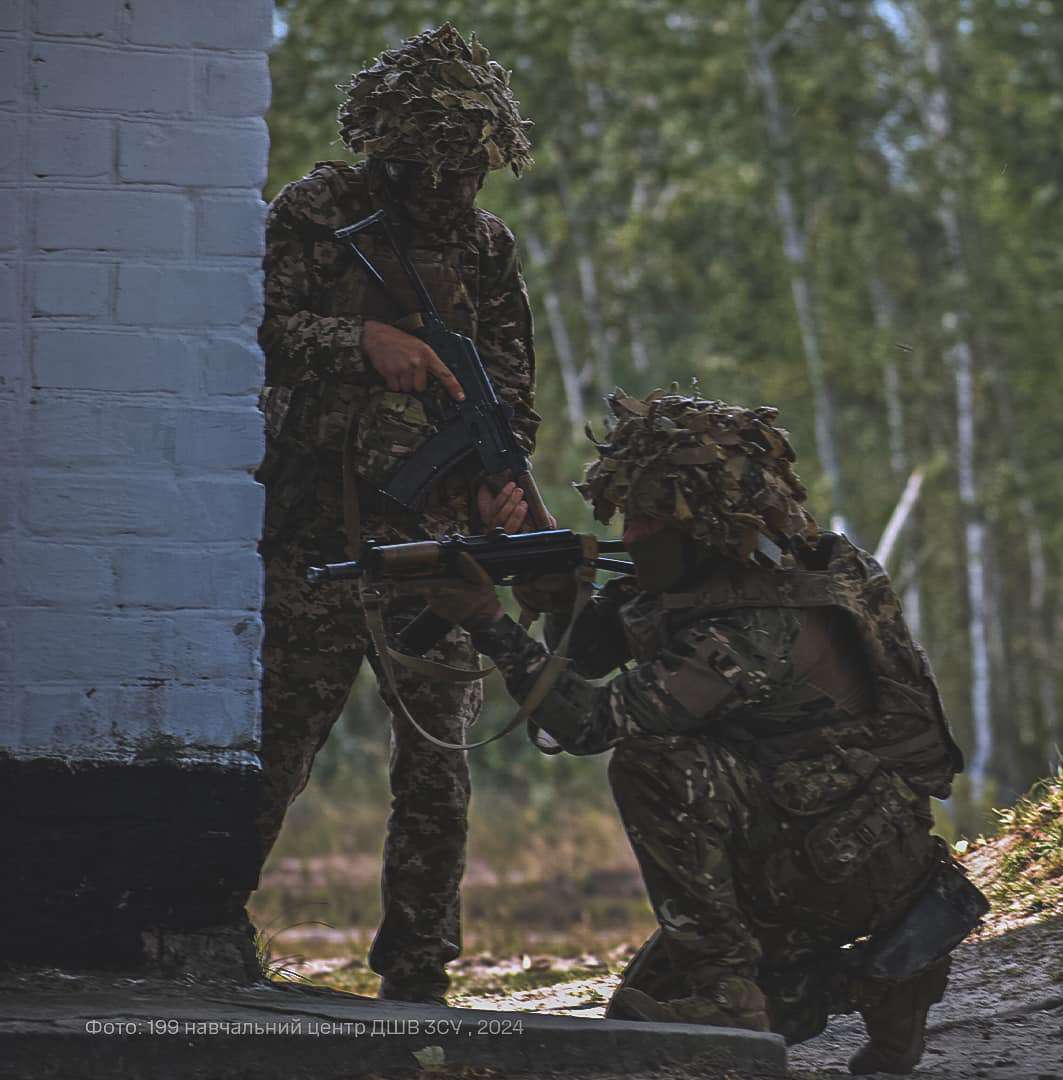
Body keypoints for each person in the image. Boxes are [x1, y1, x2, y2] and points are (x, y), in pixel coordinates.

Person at [426, 390, 980, 1075]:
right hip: (866, 841)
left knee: (651, 762)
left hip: (834, 861)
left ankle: (737, 997)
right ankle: (886, 994)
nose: (630, 536)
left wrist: (491, 625)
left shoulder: (748, 629)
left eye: (647, 519)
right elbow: (599, 645)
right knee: (640, 1012)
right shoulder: (789, 567)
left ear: (702, 524)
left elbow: (593, 723)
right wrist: (552, 586)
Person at [253, 24, 547, 1003]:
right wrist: (362, 341)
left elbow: (510, 397)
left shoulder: (486, 248)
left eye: (470, 163)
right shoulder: (322, 210)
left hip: (435, 546)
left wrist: (503, 489)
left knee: (439, 761)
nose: (454, 184)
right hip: (315, 530)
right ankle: (202, 926)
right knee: (276, 743)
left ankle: (419, 962)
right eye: (434, 161)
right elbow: (257, 321)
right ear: (390, 144)